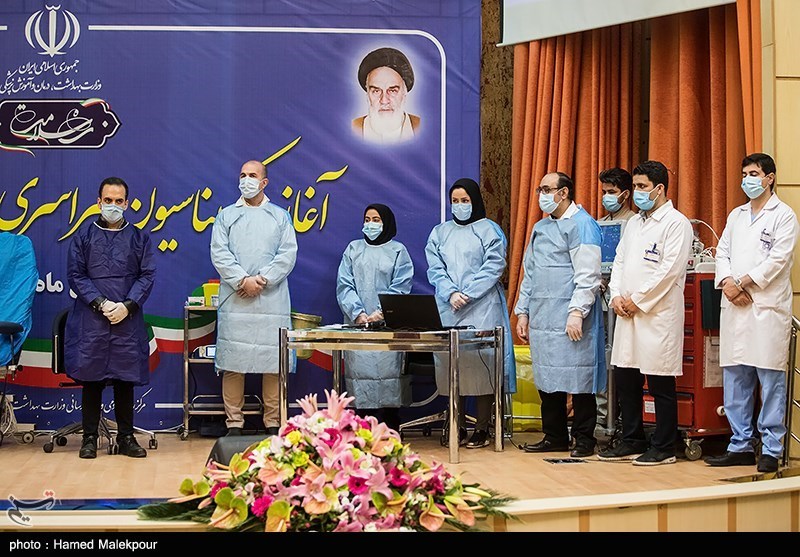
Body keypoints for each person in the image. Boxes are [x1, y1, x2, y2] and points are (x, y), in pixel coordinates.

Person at [704, 153, 799, 474]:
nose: (748, 179)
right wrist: (728, 283)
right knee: (736, 377)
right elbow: (723, 252)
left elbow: (778, 260)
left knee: (770, 380)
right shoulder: (737, 215)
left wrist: (743, 281)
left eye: (755, 173)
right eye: (745, 174)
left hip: (766, 307)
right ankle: (740, 444)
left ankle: (771, 447)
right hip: (735, 305)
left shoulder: (783, 216)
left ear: (770, 178)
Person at [597, 160, 692, 466]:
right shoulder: (635, 223)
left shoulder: (676, 223)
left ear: (659, 188)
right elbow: (620, 261)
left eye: (642, 187)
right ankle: (632, 439)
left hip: (656, 314)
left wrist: (637, 300)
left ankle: (664, 446)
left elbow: (669, 271)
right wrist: (616, 296)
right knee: (627, 379)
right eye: (635, 186)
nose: (636, 192)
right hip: (626, 312)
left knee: (660, 382)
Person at [514, 172, 606, 458]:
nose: (541, 195)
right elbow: (530, 272)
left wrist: (577, 311)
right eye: (540, 189)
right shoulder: (540, 228)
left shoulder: (583, 225)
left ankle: (584, 438)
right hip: (543, 316)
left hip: (571, 314)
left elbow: (588, 273)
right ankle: (554, 436)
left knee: (580, 378)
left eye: (546, 189)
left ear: (563, 192)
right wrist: (523, 311)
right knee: (547, 377)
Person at [65, 176, 156, 459]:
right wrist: (100, 303)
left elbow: (147, 275)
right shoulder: (83, 237)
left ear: (127, 204)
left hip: (126, 319)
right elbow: (76, 275)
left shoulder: (139, 238)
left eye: (118, 201)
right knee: (91, 379)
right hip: (92, 318)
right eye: (108, 200)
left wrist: (127, 306)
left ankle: (126, 438)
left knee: (124, 379)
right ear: (98, 202)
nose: (113, 206)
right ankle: (89, 438)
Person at [425, 177, 516, 449]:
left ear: (475, 200)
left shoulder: (488, 230)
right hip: (449, 306)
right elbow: (435, 268)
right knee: (454, 367)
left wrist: (468, 293)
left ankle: (482, 427)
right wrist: (451, 293)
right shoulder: (440, 232)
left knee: (482, 366)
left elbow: (494, 265)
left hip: (482, 306)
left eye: (465, 200)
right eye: (455, 201)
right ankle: (458, 424)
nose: (460, 205)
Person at [210, 160, 297, 437]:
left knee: (273, 363)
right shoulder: (227, 216)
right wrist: (242, 280)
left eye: (252, 175)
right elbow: (219, 253)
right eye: (243, 175)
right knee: (233, 363)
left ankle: (272, 422)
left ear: (264, 182)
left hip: (271, 299)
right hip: (236, 298)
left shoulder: (279, 216)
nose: (246, 180)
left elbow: (287, 255)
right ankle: (234, 423)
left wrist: (261, 280)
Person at [336, 203, 414, 431]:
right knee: (361, 379)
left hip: (387, 326)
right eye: (367, 219)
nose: (370, 224)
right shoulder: (353, 249)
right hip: (358, 326)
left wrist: (382, 312)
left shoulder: (398, 251)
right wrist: (358, 313)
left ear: (386, 223)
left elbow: (401, 285)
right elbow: (344, 284)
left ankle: (390, 428)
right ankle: (362, 430)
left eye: (376, 220)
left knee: (389, 378)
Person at [596, 167, 636, 430]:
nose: (606, 197)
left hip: (625, 302)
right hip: (601, 298)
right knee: (602, 357)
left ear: (625, 194)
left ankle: (621, 416)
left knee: (622, 360)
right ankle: (603, 413)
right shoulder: (598, 225)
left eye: (612, 192)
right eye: (604, 192)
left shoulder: (635, 223)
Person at [352, 47, 420, 144]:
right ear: (367, 94)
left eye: (392, 91)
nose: (384, 101)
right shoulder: (353, 129)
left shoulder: (421, 128)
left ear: (404, 92)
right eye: (376, 91)